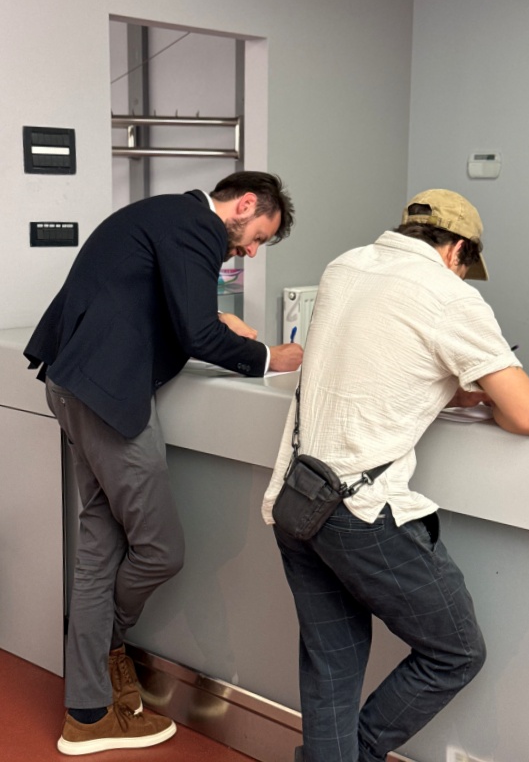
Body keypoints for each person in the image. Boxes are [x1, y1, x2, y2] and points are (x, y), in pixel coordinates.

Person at [24, 171, 303, 756]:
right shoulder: (197, 227)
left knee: (100, 544)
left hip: (76, 384)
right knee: (160, 549)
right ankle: (105, 653)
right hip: (108, 397)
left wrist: (220, 323)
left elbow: (161, 306)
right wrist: (267, 358)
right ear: (244, 205)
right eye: (258, 236)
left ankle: (87, 711)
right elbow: (195, 332)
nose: (252, 251)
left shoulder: (166, 215)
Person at [262, 189, 529, 762]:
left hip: (297, 497)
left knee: (332, 665)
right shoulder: (449, 294)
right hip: (360, 511)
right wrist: (481, 390)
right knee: (456, 651)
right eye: (465, 265)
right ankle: (363, 754)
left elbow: (377, 362)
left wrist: (447, 386)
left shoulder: (344, 266)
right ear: (458, 249)